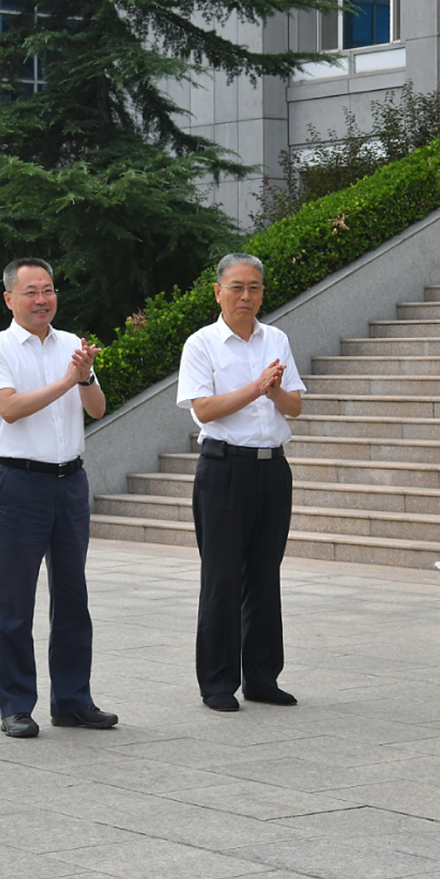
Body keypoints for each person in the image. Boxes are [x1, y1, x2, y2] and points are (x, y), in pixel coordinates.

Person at [0, 257, 117, 738]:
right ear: (10, 298)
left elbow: (96, 409)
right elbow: (10, 409)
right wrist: (67, 380)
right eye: (31, 291)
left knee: (73, 596)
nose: (42, 299)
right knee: (12, 601)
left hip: (70, 482)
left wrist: (87, 375)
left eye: (49, 289)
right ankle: (15, 704)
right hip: (20, 483)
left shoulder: (73, 345)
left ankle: (73, 700)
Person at [175, 252, 305, 712]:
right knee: (223, 578)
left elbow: (295, 407)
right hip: (224, 470)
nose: (246, 296)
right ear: (218, 291)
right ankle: (216, 682)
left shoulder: (277, 339)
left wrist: (275, 391)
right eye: (236, 287)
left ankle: (263, 678)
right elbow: (204, 410)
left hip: (272, 469)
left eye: (254, 287)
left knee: (265, 576)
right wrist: (256, 387)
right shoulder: (202, 344)